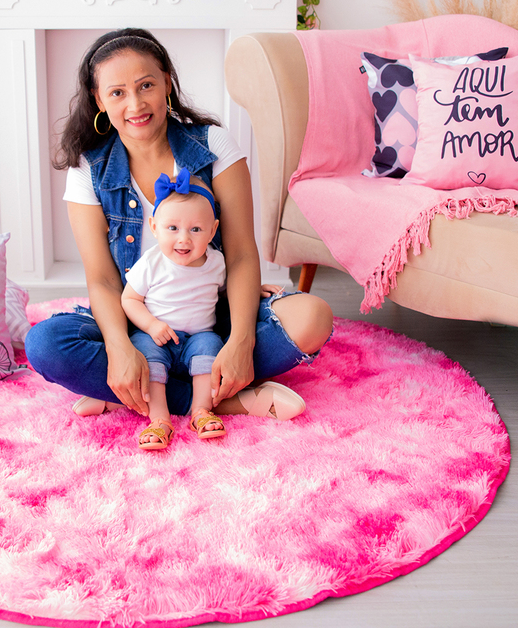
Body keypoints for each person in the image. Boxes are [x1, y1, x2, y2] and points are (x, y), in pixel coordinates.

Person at [23, 27, 333, 429]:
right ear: (99, 100)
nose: (135, 104)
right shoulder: (89, 169)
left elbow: (240, 253)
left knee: (314, 316)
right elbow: (101, 279)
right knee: (45, 345)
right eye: (117, 93)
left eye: (146, 85)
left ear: (167, 82)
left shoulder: (212, 145)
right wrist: (118, 349)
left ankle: (147, 399)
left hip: (212, 318)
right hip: (139, 322)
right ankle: (223, 400)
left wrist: (241, 340)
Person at [122, 170, 248, 449]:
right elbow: (129, 300)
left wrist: (256, 287)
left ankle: (201, 411)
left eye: (195, 229)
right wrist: (152, 325)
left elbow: (231, 290)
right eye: (172, 229)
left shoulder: (216, 263)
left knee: (212, 347)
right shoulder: (151, 262)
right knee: (145, 354)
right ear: (154, 227)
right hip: (157, 336)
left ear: (213, 230)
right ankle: (159, 418)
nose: (184, 239)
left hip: (198, 337)